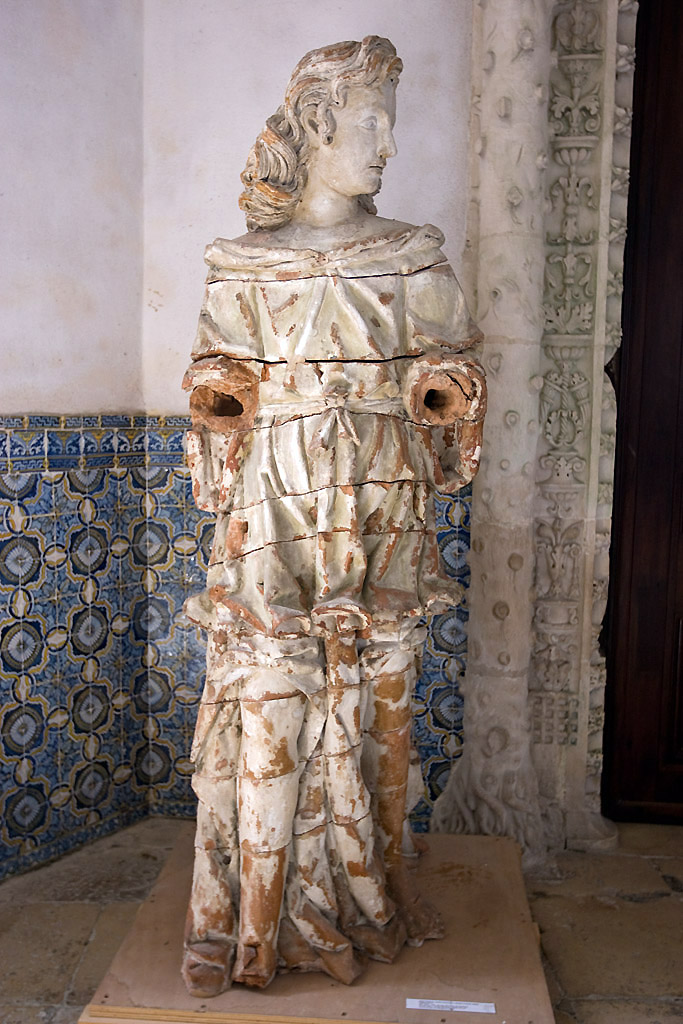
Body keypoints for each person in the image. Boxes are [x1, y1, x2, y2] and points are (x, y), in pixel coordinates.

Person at [181, 35, 486, 997]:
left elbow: (452, 366)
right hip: (274, 505)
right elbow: (214, 372)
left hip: (381, 498)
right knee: (270, 688)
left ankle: (367, 891)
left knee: (378, 696)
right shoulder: (242, 264)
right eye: (373, 122)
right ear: (317, 122)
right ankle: (250, 919)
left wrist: (441, 388)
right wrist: (224, 395)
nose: (389, 144)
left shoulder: (411, 256)